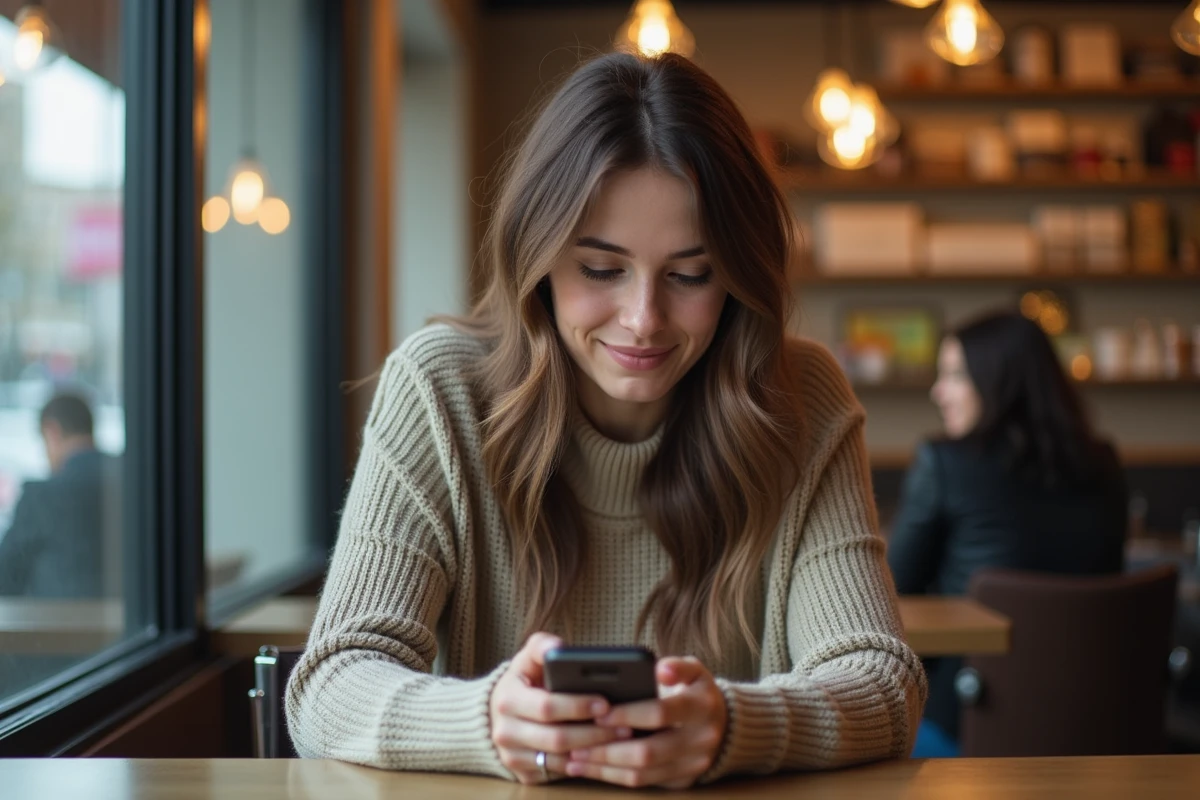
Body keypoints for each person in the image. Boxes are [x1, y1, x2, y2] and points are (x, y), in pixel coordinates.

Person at [286, 51, 926, 787]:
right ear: (539, 257)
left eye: (691, 274)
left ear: (736, 276)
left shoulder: (801, 397)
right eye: (600, 269)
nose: (644, 318)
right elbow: (329, 683)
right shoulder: (439, 389)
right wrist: (487, 720)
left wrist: (730, 725)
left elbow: (881, 681)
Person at [886, 311, 1127, 753]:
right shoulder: (1104, 464)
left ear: (998, 381)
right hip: (1096, 733)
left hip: (969, 725)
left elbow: (890, 593)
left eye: (955, 375)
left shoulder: (942, 462)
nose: (938, 391)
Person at [0, 391, 122, 597]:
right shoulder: (135, 482)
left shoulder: (42, 496)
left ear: (52, 431)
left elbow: (5, 576)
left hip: (59, 617)